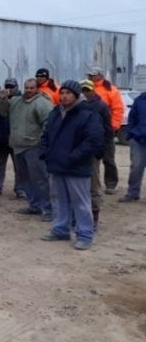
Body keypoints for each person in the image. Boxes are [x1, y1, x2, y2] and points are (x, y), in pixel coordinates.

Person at [39, 80, 104, 250]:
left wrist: (73, 157)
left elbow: (93, 141)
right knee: (58, 200)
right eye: (62, 93)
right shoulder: (55, 113)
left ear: (76, 95)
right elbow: (46, 135)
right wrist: (45, 153)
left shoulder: (88, 114)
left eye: (68, 93)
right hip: (56, 165)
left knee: (81, 202)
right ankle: (61, 229)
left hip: (76, 167)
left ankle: (85, 235)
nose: (64, 96)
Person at [0, 78, 53, 220]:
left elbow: (49, 125)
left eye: (31, 88)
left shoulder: (43, 103)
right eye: (26, 88)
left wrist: (42, 143)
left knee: (40, 179)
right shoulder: (16, 101)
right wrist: (1, 99)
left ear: (37, 89)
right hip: (18, 146)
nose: (28, 90)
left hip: (35, 147)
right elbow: (3, 112)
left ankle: (48, 209)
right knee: (25, 179)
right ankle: (34, 205)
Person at [80, 80, 113, 228]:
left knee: (93, 184)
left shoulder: (101, 107)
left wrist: (102, 150)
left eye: (87, 90)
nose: (85, 93)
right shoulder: (77, 106)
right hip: (78, 150)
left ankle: (94, 216)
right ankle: (79, 215)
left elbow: (108, 130)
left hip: (93, 151)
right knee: (79, 184)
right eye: (83, 90)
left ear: (93, 90)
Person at [87, 66, 124, 194]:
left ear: (100, 75)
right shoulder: (86, 88)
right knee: (91, 159)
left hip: (106, 130)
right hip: (90, 130)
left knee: (108, 159)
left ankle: (111, 184)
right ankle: (92, 184)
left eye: (92, 75)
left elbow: (118, 109)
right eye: (89, 75)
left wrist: (113, 126)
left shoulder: (111, 90)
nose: (90, 77)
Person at [120, 89, 146, 203]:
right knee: (136, 167)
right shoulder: (139, 100)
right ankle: (133, 193)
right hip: (139, 140)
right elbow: (132, 119)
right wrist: (132, 133)